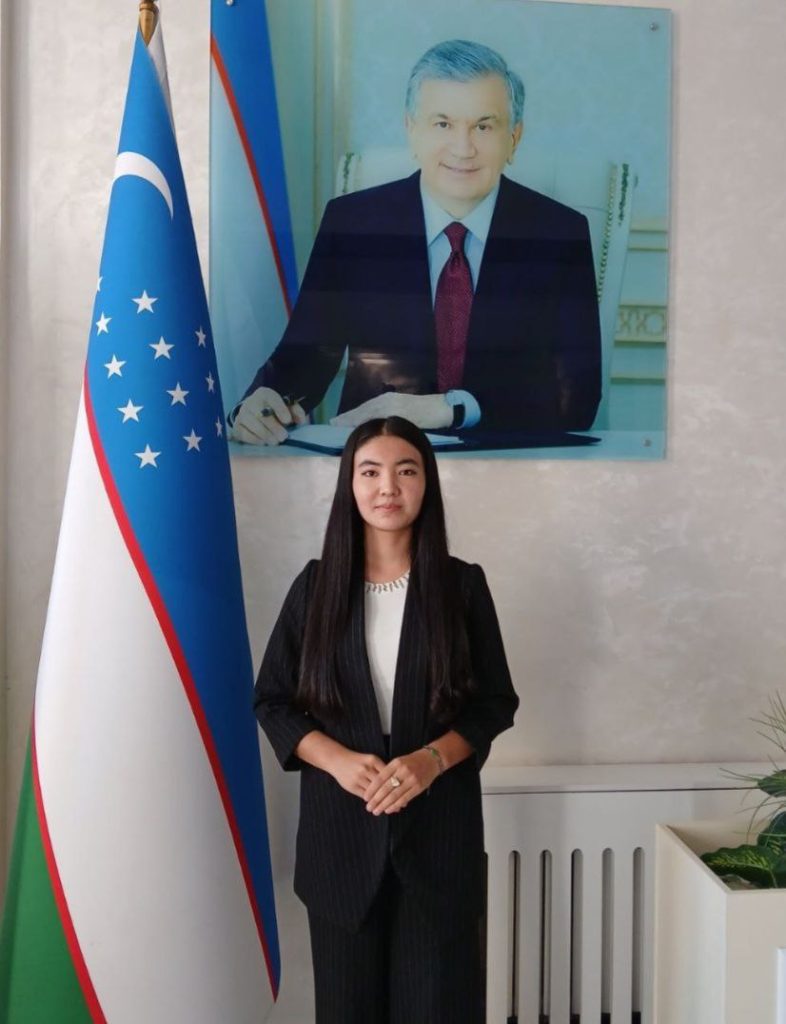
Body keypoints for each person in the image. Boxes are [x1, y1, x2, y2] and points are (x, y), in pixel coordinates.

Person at [253, 416, 518, 1023]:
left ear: (427, 484)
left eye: (406, 470)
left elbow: (494, 703)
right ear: (350, 484)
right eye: (369, 472)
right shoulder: (315, 586)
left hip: (439, 843)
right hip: (340, 846)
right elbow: (271, 699)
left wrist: (431, 761)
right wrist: (339, 761)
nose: (387, 488)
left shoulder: (462, 586)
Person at [231, 39, 602, 447]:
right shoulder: (354, 224)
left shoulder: (559, 233)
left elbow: (578, 399)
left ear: (514, 138)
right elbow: (305, 362)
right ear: (412, 131)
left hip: (508, 466)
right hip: (376, 465)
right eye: (442, 124)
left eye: (484, 125)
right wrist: (259, 406)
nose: (463, 148)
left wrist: (452, 408)